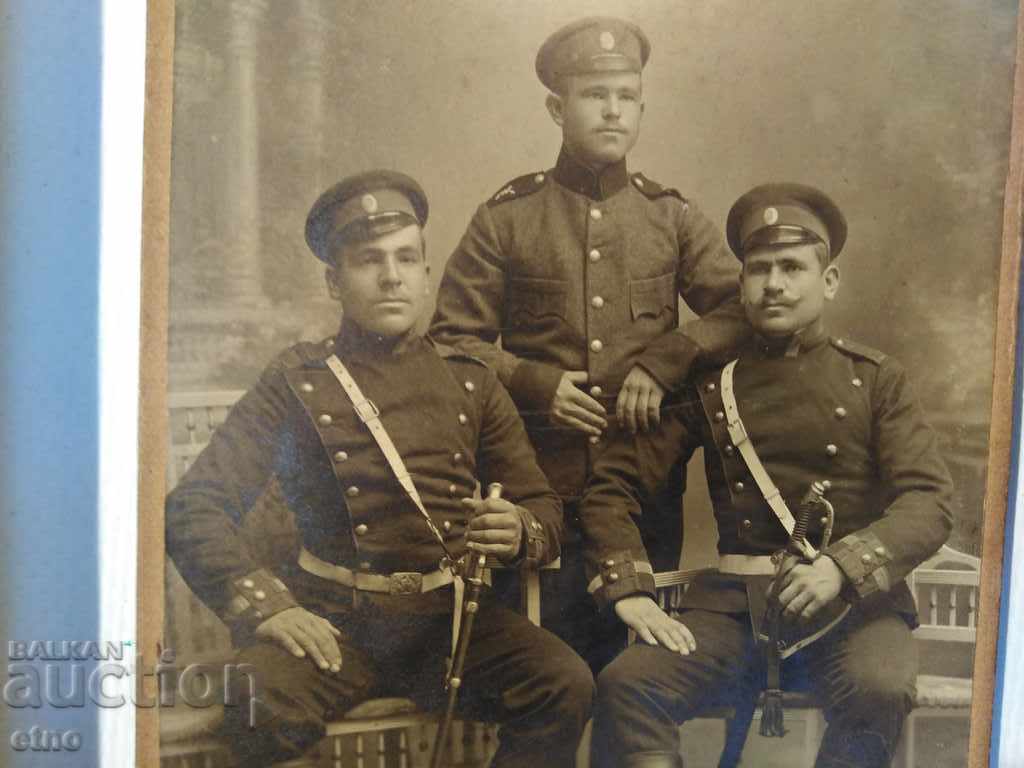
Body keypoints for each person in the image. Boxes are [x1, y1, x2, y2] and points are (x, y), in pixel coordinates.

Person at [165, 170, 594, 768]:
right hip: (334, 626)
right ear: (334, 281)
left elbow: (542, 505)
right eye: (369, 260)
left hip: (447, 627)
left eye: (406, 258)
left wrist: (519, 528)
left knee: (564, 683)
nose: (392, 276)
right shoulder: (297, 381)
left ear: (425, 273)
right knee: (258, 701)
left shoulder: (471, 379)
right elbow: (194, 506)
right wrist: (271, 606)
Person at [580, 183, 954, 768]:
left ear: (829, 281)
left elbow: (929, 500)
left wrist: (842, 566)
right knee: (629, 684)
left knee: (879, 689)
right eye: (759, 269)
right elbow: (612, 486)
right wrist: (627, 588)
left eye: (792, 267)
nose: (773, 284)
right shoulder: (712, 384)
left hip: (853, 610)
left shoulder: (875, 380)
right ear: (742, 284)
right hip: (735, 609)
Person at [430, 16, 748, 670]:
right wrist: (534, 382)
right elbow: (450, 341)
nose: (612, 110)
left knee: (635, 668)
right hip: (539, 489)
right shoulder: (508, 219)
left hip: (642, 491)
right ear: (557, 108)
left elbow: (741, 310)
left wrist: (667, 360)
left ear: (641, 108)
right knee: (551, 669)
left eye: (626, 95)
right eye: (594, 94)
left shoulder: (670, 217)